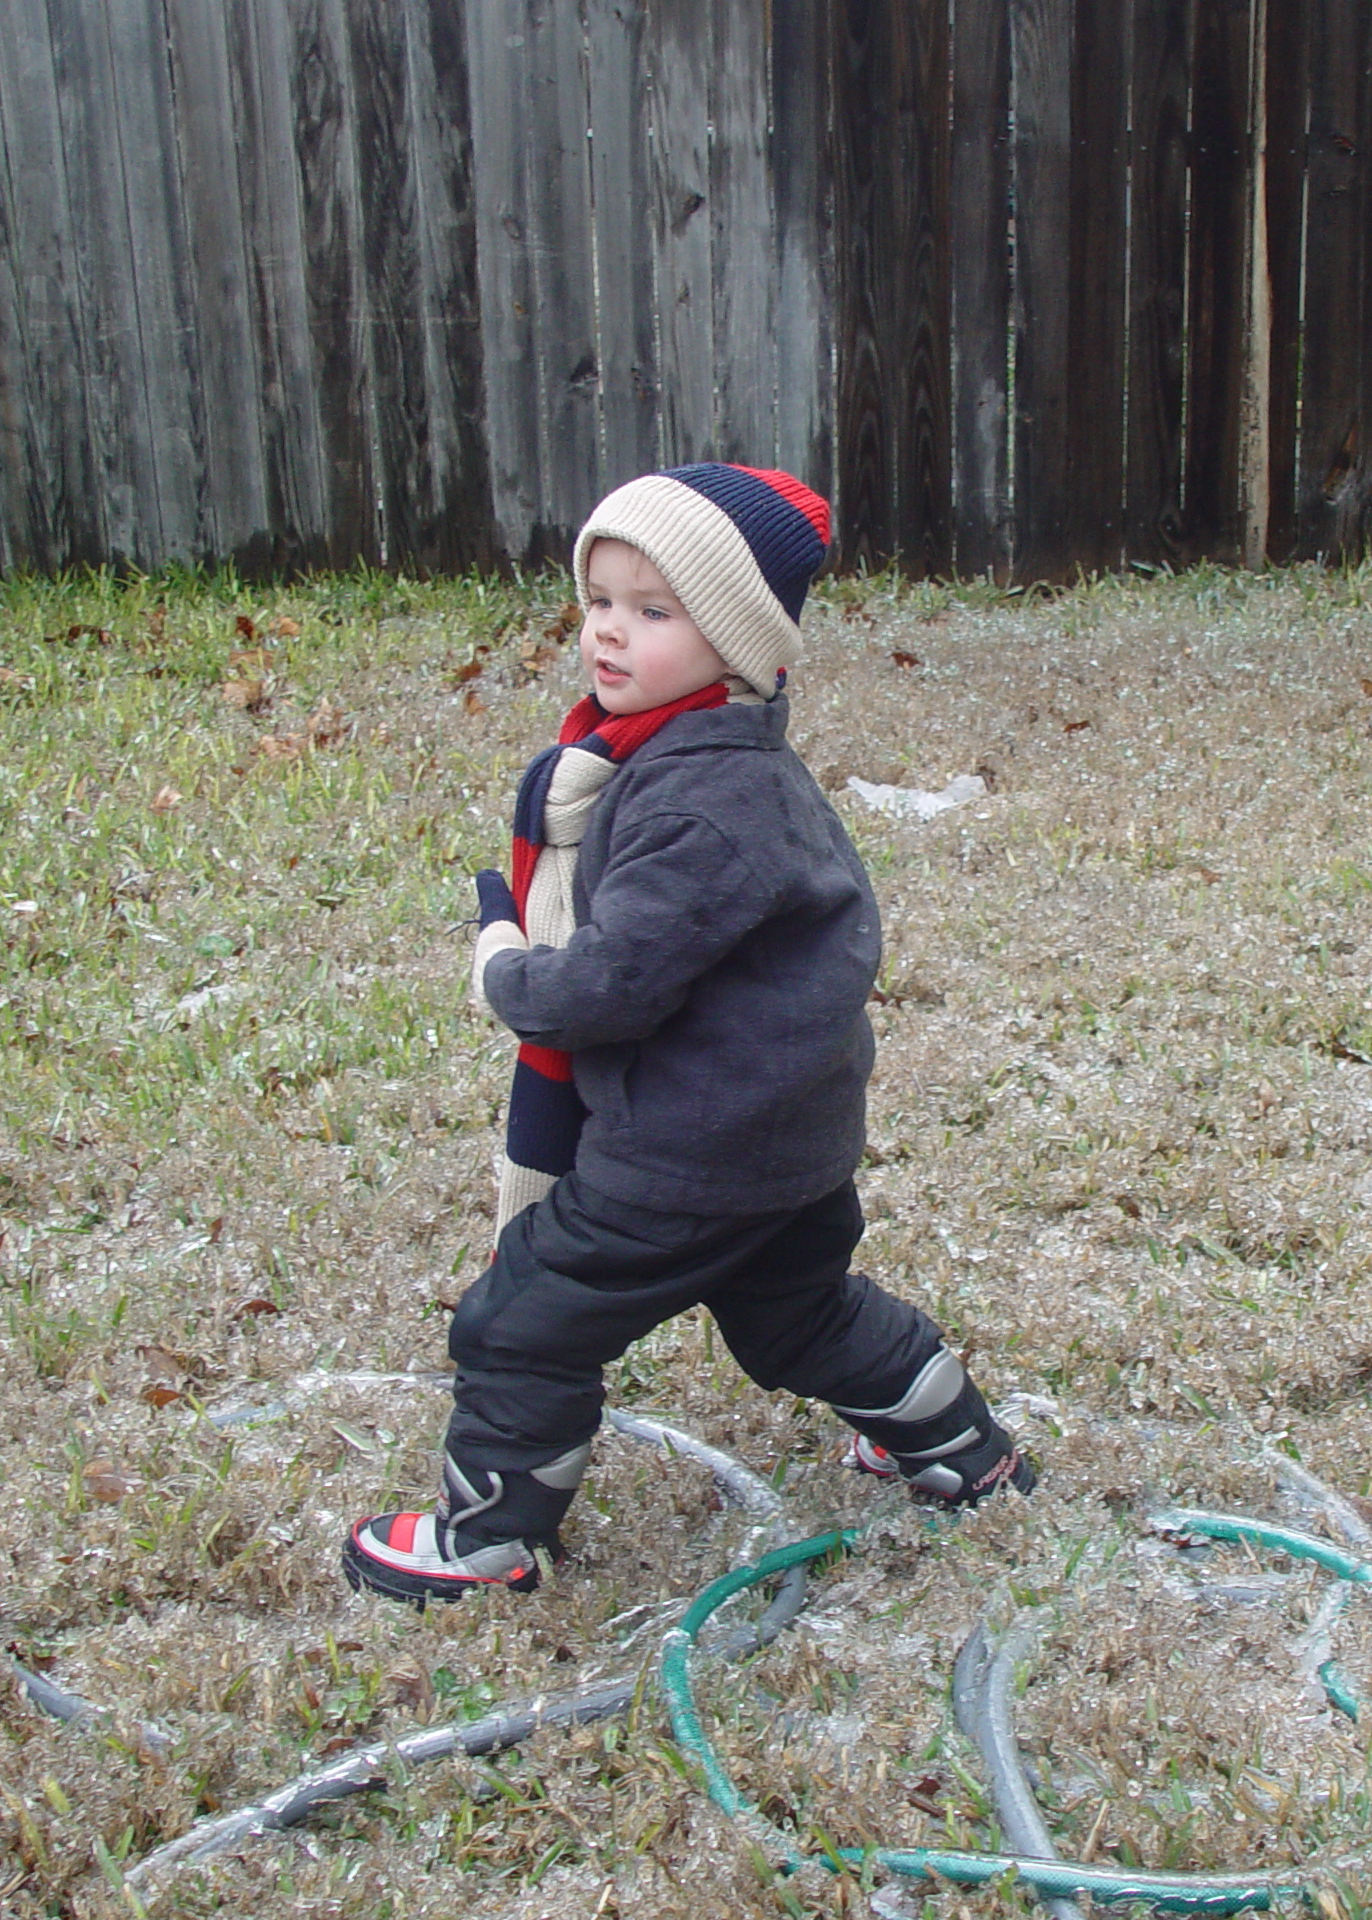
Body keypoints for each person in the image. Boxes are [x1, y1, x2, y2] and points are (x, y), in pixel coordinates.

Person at [344, 463, 1035, 1604]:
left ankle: (488, 1541)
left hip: (687, 1151)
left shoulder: (703, 800)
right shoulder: (707, 762)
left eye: (655, 611)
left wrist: (509, 968)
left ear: (737, 638)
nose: (610, 633)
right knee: (797, 1318)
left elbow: (608, 986)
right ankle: (960, 1450)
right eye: (600, 600)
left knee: (523, 1314)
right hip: (783, 1136)